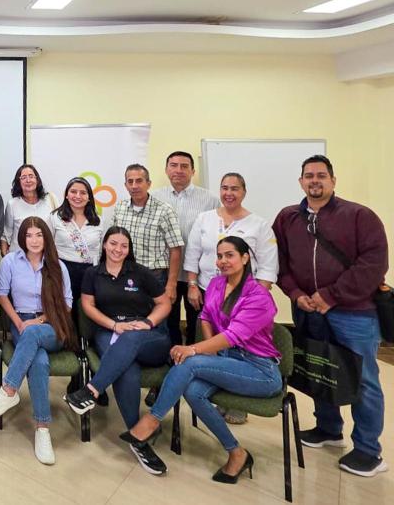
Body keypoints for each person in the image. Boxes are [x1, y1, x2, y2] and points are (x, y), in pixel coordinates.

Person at [123, 237, 283, 480]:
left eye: (230, 255)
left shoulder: (258, 296)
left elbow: (232, 336)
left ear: (245, 258)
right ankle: (237, 452)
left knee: (189, 362)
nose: (223, 261)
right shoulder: (217, 283)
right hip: (227, 359)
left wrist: (195, 349)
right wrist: (209, 350)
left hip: (259, 370)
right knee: (193, 391)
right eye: (219, 256)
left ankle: (152, 420)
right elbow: (206, 316)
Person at [273, 154, 389, 478]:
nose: (315, 180)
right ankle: (328, 428)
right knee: (321, 370)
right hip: (307, 310)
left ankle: (368, 451)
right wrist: (296, 294)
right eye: (309, 175)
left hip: (354, 314)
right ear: (301, 182)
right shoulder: (287, 218)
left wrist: (330, 296)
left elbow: (374, 264)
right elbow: (278, 262)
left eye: (321, 175)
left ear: (333, 181)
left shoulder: (360, 216)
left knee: (363, 380)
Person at [183, 172, 279, 424]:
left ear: (244, 192)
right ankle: (215, 393)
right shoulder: (205, 218)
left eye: (235, 188)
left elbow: (267, 267)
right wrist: (192, 285)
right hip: (207, 292)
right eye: (224, 188)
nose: (229, 193)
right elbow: (192, 253)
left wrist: (252, 299)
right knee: (212, 348)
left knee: (236, 348)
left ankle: (237, 399)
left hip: (241, 300)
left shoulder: (259, 225)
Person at [0, 217, 76, 465]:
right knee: (39, 362)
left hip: (53, 323)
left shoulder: (57, 266)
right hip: (20, 320)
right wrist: (19, 322)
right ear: (22, 238)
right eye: (29, 235)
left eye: (39, 235)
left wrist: (39, 320)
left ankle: (9, 389)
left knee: (33, 335)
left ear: (46, 238)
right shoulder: (10, 261)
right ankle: (43, 429)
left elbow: (67, 304)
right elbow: (2, 294)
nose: (34, 240)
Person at [64, 227, 172, 435]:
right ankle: (136, 432)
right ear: (104, 244)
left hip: (147, 336)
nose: (118, 249)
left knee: (130, 340)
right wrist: (113, 325)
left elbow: (164, 303)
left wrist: (148, 322)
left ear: (129, 249)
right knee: (126, 369)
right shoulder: (93, 273)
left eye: (124, 246)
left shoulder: (140, 272)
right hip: (109, 330)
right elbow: (87, 306)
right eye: (113, 243)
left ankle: (91, 390)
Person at [112, 164, 185, 345]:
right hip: (127, 277)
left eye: (139, 181)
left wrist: (172, 284)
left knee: (158, 325)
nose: (134, 186)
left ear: (148, 183)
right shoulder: (120, 208)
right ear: (125, 185)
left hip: (155, 277)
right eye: (130, 181)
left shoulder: (164, 210)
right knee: (132, 322)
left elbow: (175, 248)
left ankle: (161, 359)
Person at [152, 151, 219, 346]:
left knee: (197, 321)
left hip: (197, 275)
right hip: (164, 273)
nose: (178, 170)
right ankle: (171, 356)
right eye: (173, 165)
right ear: (166, 170)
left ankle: (193, 355)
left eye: (184, 166)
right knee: (168, 321)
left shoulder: (210, 199)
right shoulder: (154, 198)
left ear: (193, 171)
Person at [50, 176, 113, 316]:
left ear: (89, 197)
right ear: (66, 195)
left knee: (87, 314)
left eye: (83, 193)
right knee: (64, 313)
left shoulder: (99, 221)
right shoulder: (55, 218)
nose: (78, 196)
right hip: (62, 271)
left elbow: (104, 251)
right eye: (73, 192)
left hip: (90, 273)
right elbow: (48, 247)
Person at [0, 164, 54, 256]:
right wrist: (5, 257)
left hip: (44, 256)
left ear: (37, 179)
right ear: (19, 182)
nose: (28, 180)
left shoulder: (49, 200)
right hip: (18, 256)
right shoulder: (12, 204)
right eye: (23, 177)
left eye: (31, 176)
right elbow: (6, 234)